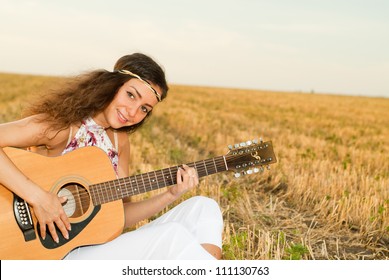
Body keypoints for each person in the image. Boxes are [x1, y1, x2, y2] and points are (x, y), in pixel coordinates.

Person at [0, 53, 223, 259]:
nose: (133, 112)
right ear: (111, 85)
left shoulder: (119, 142)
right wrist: (39, 198)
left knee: (204, 207)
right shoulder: (61, 127)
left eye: (145, 108)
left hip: (92, 251)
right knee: (172, 236)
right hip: (53, 254)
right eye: (130, 95)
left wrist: (171, 194)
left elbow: (120, 215)